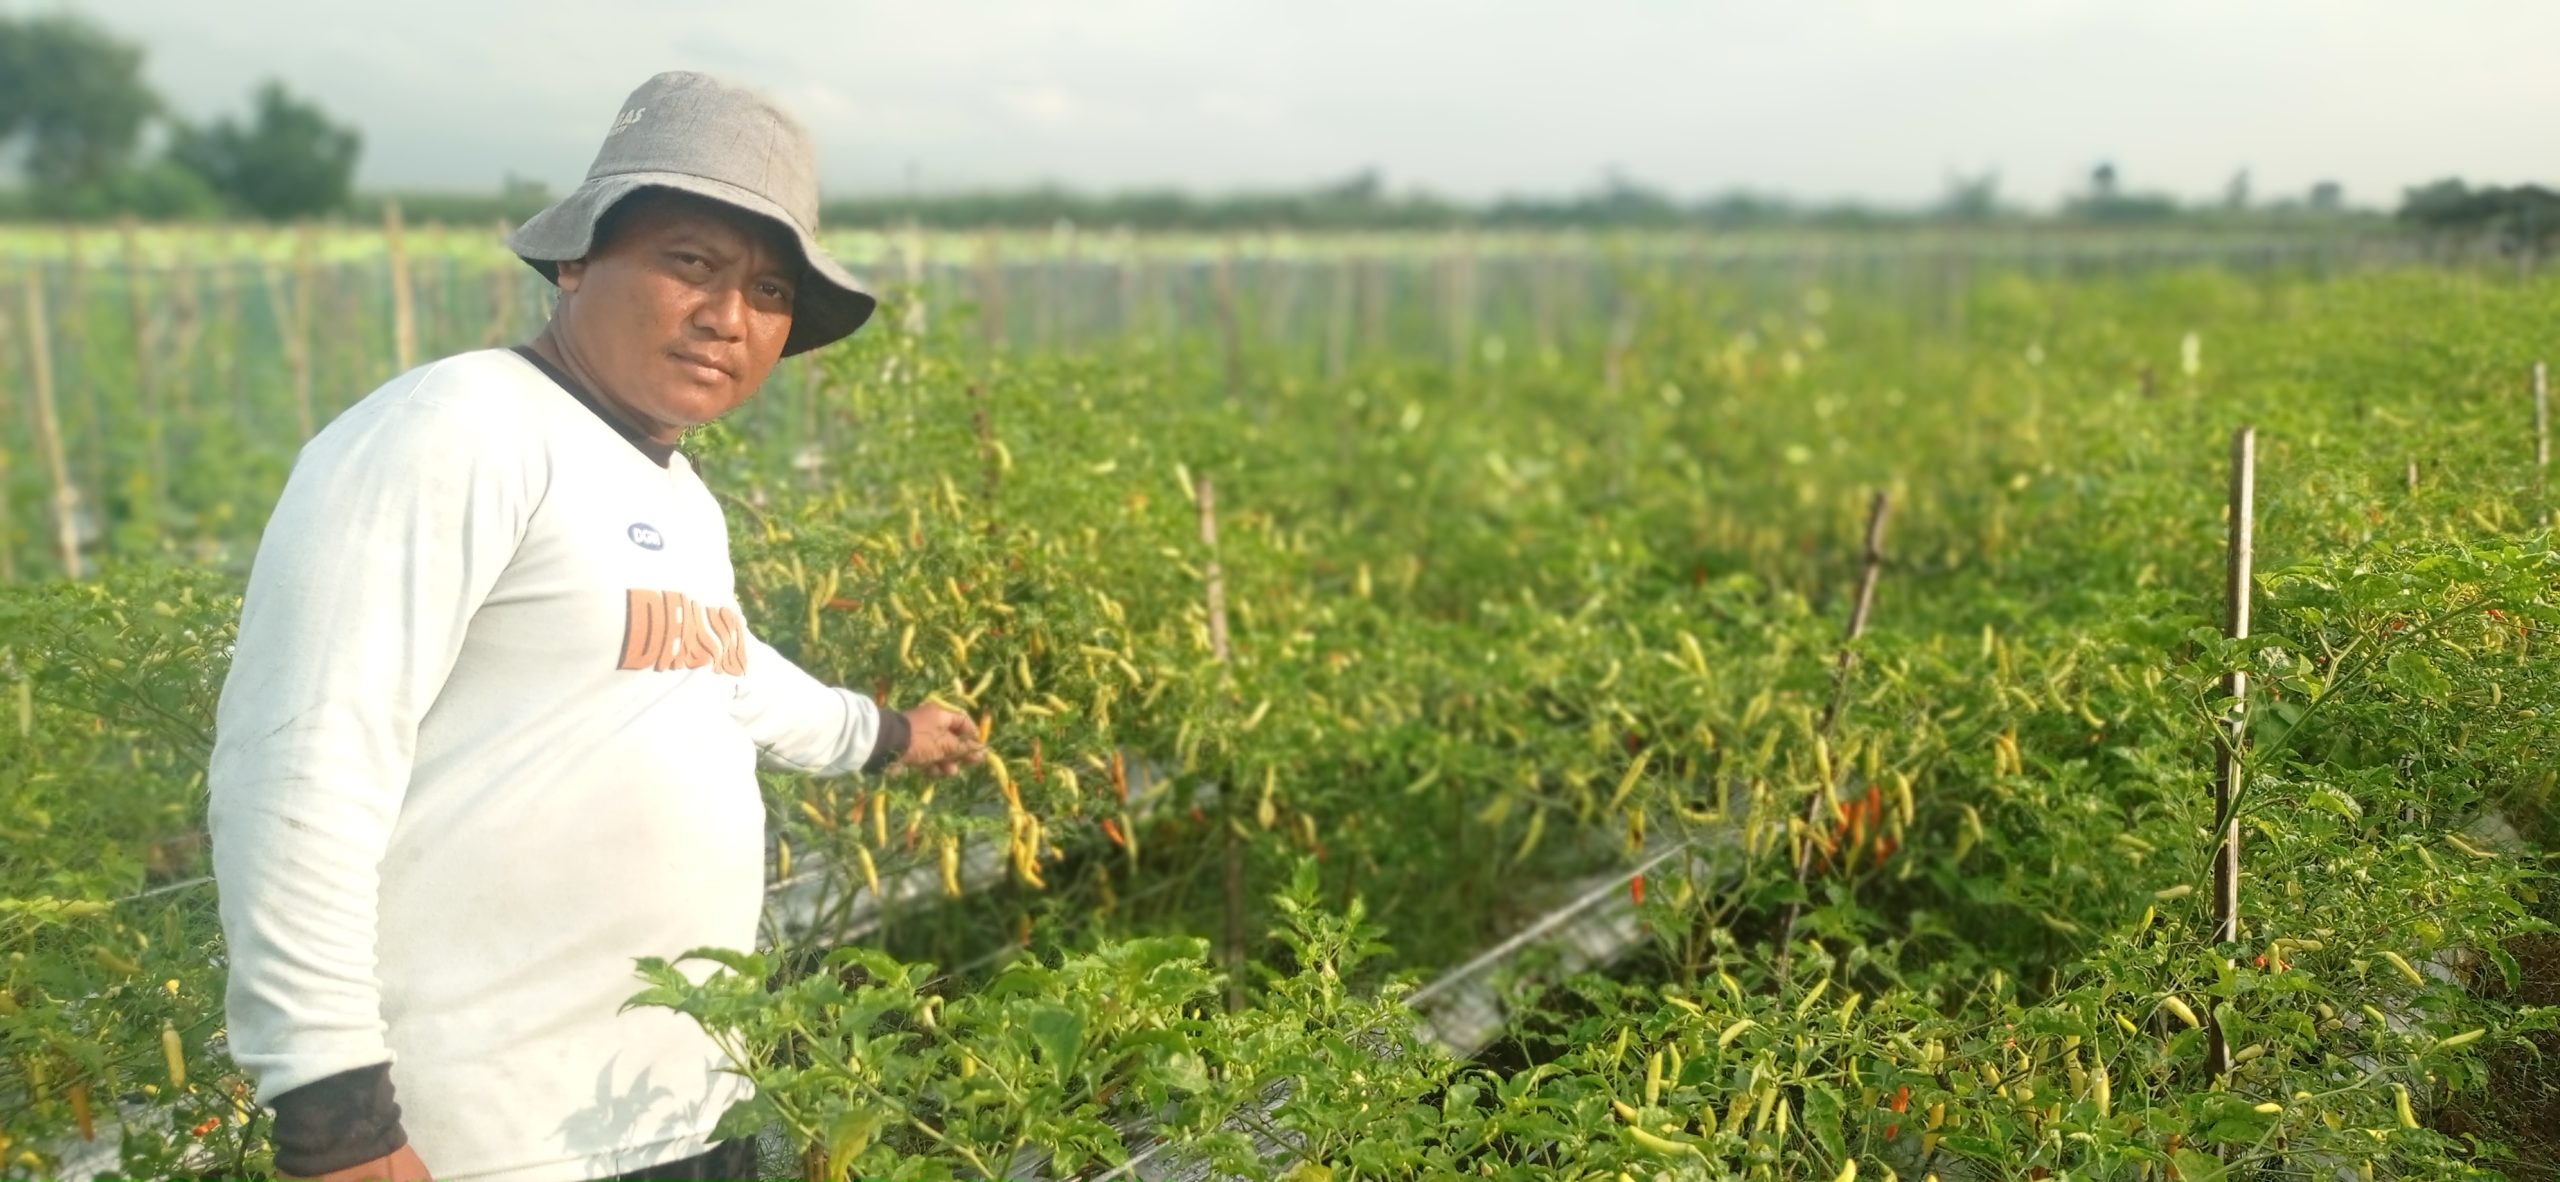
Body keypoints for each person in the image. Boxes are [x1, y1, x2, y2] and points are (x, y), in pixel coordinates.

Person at [208, 71, 981, 1182]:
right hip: (484, 1137)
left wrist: (888, 732)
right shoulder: (460, 429)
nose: (729, 317)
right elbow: (302, 761)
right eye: (691, 263)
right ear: (576, 259)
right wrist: (334, 1115)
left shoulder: (671, 487)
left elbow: (721, 669)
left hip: (679, 1105)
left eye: (768, 290)